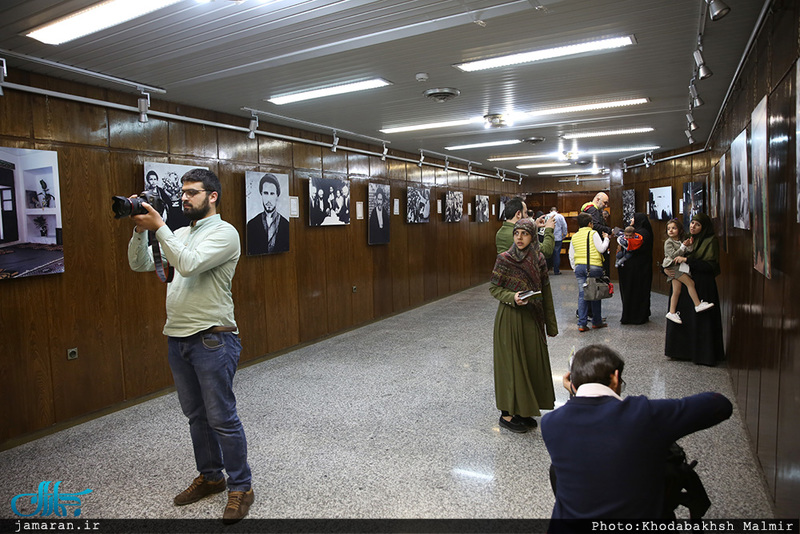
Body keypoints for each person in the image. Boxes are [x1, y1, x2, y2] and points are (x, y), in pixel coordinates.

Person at [127, 168, 254, 524]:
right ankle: (212, 476)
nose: (184, 198)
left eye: (193, 192)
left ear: (212, 196)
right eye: (182, 192)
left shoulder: (225, 233)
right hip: (178, 337)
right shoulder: (180, 232)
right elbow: (139, 263)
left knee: (222, 418)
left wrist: (160, 227)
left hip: (214, 338)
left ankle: (241, 487)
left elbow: (188, 263)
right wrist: (141, 229)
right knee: (196, 417)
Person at [541, 344, 733, 522]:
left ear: (573, 384)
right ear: (616, 377)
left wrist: (575, 393)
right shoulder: (644, 414)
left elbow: (590, 424)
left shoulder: (551, 423)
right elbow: (720, 405)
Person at [489, 218, 557, 433]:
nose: (519, 237)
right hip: (509, 317)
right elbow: (494, 288)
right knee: (512, 365)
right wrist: (512, 296)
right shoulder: (505, 259)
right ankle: (507, 415)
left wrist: (551, 325)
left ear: (532, 236)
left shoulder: (538, 259)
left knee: (530, 363)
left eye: (524, 233)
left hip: (532, 318)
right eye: (516, 233)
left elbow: (546, 292)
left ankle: (524, 410)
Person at [664, 213, 725, 365]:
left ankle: (702, 354)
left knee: (701, 321)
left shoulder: (710, 241)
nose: (693, 227)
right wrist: (664, 269)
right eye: (692, 223)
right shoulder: (685, 240)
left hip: (702, 285)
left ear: (703, 227)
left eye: (697, 225)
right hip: (684, 283)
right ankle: (681, 352)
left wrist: (688, 260)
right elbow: (671, 259)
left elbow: (710, 266)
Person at [662, 219, 714, 323]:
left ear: (679, 230)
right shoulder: (668, 242)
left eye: (673, 228)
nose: (671, 230)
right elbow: (673, 255)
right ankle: (697, 304)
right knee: (690, 283)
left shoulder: (680, 240)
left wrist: (688, 245)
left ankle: (672, 312)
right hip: (675, 267)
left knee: (677, 291)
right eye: (668, 229)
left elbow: (687, 252)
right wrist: (683, 247)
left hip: (677, 267)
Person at [569, 213, 609, 332]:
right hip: (594, 267)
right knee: (595, 294)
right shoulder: (593, 233)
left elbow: (571, 254)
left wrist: (574, 268)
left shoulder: (575, 236)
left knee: (583, 295)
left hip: (580, 268)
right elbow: (601, 248)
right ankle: (596, 321)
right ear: (590, 224)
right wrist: (606, 238)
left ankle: (582, 323)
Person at [618, 213, 653, 325]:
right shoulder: (646, 232)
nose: (631, 220)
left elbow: (629, 245)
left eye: (634, 218)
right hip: (643, 267)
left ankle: (631, 316)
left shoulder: (641, 233)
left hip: (634, 269)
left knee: (632, 292)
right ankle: (641, 314)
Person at [246, 173, 289, 255]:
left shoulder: (286, 225)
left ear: (277, 195)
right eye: (266, 193)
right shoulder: (251, 225)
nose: (269, 199)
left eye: (272, 194)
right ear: (261, 194)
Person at [581, 192, 611, 273]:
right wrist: (609, 230)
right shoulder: (593, 210)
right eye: (605, 202)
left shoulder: (587, 208)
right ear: (597, 200)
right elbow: (596, 226)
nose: (606, 205)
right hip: (596, 242)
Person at [549, 207, 568, 275]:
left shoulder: (547, 216)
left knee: (548, 254)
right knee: (556, 254)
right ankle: (556, 271)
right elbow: (564, 226)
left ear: (550, 210)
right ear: (557, 211)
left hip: (549, 238)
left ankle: (547, 270)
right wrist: (564, 235)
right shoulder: (560, 216)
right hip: (558, 238)